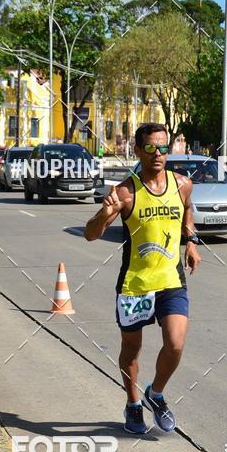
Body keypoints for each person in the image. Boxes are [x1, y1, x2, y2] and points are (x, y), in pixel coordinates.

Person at [85, 122, 201, 435]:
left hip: (171, 281)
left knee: (175, 344)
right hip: (134, 285)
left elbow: (187, 209)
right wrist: (103, 212)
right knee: (131, 349)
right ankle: (133, 402)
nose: (157, 154)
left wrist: (191, 241)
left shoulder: (182, 185)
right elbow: (90, 235)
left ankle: (156, 393)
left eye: (163, 147)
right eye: (150, 148)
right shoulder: (125, 192)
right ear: (138, 150)